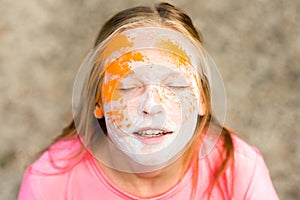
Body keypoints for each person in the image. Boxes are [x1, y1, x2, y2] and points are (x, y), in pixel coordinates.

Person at [18, 2, 279, 200]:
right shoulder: (50, 182)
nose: (152, 105)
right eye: (128, 87)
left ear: (201, 99)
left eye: (175, 85)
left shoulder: (238, 170)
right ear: (99, 102)